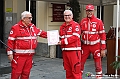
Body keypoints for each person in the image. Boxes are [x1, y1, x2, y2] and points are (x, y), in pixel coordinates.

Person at [7, 11, 47, 79]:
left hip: (29, 56)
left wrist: (55, 36)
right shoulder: (16, 28)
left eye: (31, 18)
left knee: (26, 73)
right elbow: (10, 41)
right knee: (16, 73)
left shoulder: (32, 27)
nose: (31, 19)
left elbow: (43, 33)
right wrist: (10, 54)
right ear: (23, 18)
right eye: (29, 18)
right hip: (19, 56)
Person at [79, 4, 106, 76]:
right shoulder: (83, 21)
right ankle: (78, 77)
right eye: (88, 11)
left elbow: (102, 35)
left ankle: (99, 77)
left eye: (91, 11)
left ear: (94, 11)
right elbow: (78, 33)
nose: (89, 12)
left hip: (96, 46)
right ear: (86, 11)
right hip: (85, 46)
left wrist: (103, 48)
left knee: (98, 65)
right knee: (80, 63)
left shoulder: (98, 21)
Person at [58, 10, 82, 79]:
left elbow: (75, 37)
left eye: (69, 15)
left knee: (76, 72)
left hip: (74, 52)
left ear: (72, 16)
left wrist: (63, 42)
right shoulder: (62, 27)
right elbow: (60, 38)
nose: (67, 17)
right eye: (65, 15)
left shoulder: (76, 25)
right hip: (65, 52)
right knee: (68, 72)